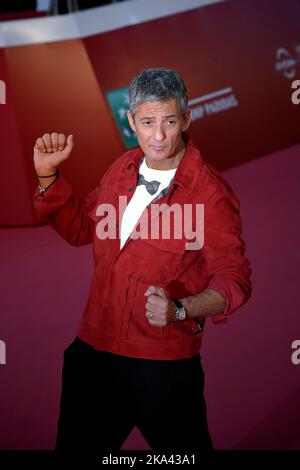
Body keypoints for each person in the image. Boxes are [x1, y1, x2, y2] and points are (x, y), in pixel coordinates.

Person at [33, 68, 252, 452]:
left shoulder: (211, 195)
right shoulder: (122, 168)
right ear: (131, 120)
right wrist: (48, 177)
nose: (159, 135)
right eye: (148, 122)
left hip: (163, 368)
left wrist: (181, 309)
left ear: (185, 118)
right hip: (94, 356)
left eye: (169, 121)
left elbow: (234, 280)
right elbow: (82, 229)